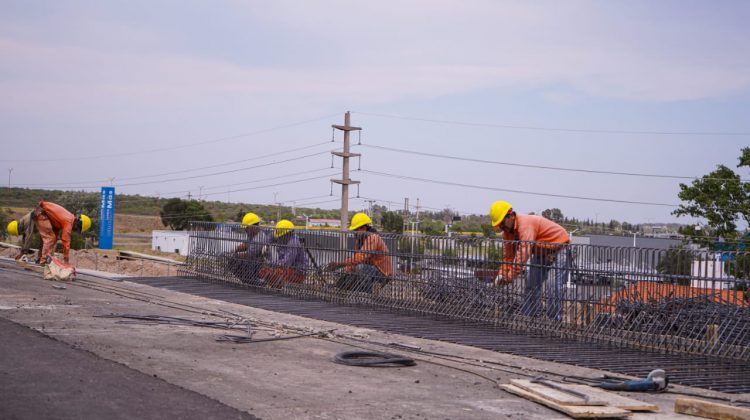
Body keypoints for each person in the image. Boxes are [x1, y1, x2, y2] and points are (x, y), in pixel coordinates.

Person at [490, 201, 570, 320]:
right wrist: (502, 274)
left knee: (553, 285)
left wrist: (510, 276)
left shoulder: (525, 224)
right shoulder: (507, 233)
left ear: (511, 215)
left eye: (502, 223)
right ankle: (529, 317)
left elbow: (524, 251)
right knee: (531, 283)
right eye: (499, 225)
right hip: (541, 250)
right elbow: (508, 256)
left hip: (559, 247)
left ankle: (554, 320)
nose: (501, 227)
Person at [325, 212, 393, 293]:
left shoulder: (373, 237)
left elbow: (360, 257)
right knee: (352, 270)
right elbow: (356, 258)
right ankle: (339, 289)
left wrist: (340, 264)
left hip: (382, 274)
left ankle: (367, 294)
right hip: (371, 269)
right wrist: (347, 271)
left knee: (362, 268)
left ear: (363, 228)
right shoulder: (360, 239)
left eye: (356, 230)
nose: (355, 232)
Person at [258, 220, 308, 288]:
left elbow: (286, 263)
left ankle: (276, 287)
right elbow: (270, 237)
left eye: (281, 236)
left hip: (297, 272)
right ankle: (273, 285)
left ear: (288, 233)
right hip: (285, 269)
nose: (279, 238)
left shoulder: (293, 243)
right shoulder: (281, 235)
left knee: (274, 273)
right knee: (263, 271)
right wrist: (266, 245)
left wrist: (271, 264)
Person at [227, 212, 271, 284]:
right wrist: (235, 249)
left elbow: (249, 255)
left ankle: (256, 282)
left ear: (253, 227)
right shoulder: (252, 234)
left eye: (246, 228)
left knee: (239, 262)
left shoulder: (259, 238)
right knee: (236, 262)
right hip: (256, 261)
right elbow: (246, 245)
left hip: (261, 264)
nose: (245, 230)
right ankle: (248, 280)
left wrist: (236, 255)